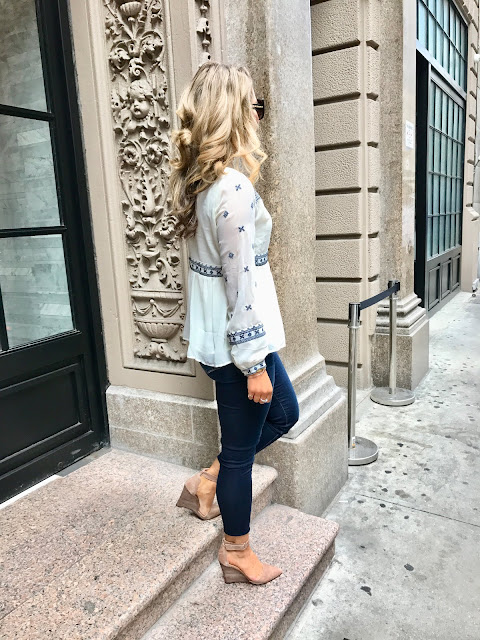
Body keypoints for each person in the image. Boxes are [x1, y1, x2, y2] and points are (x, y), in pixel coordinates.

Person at [168, 62, 300, 585]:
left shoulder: (199, 184)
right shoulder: (232, 190)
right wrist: (253, 364)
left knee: (284, 413)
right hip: (239, 345)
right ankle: (237, 552)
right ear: (234, 112)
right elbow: (239, 285)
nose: (258, 116)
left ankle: (207, 483)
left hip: (220, 338)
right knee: (242, 453)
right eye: (254, 106)